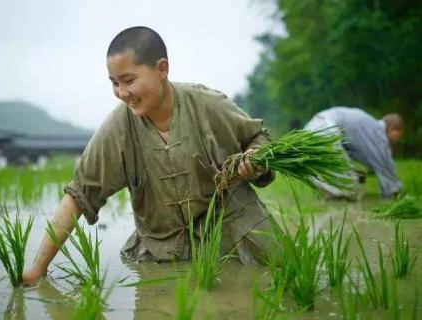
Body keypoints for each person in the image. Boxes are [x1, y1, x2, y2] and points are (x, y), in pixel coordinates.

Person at [22, 26, 275, 285]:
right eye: (114, 83)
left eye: (128, 81)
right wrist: (37, 269)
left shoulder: (208, 104)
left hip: (235, 230)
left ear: (162, 69)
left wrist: (254, 157)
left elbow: (259, 136)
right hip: (164, 247)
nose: (121, 93)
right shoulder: (118, 128)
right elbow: (77, 196)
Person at [304, 106, 403, 199]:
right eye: (399, 135)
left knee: (328, 170)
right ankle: (339, 199)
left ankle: (333, 196)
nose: (398, 140)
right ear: (393, 129)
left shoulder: (368, 127)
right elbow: (384, 162)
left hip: (311, 128)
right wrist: (394, 191)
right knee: (349, 188)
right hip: (326, 129)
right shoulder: (377, 133)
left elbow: (358, 155)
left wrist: (356, 173)